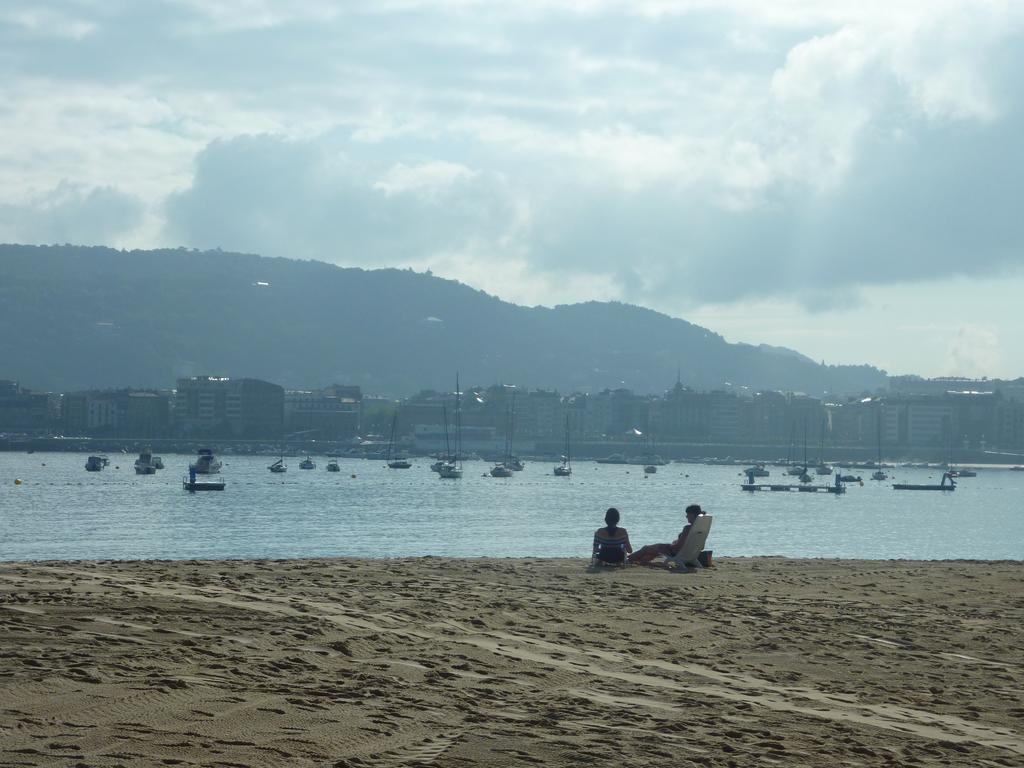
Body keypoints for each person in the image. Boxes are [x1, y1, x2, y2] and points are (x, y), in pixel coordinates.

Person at [628, 504, 704, 565]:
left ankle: (627, 560)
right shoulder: (701, 528)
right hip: (692, 554)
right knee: (650, 552)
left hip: (676, 553)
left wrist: (671, 545)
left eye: (688, 514)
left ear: (692, 515)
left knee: (646, 548)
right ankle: (640, 561)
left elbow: (677, 547)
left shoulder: (687, 528)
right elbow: (701, 547)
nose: (686, 516)